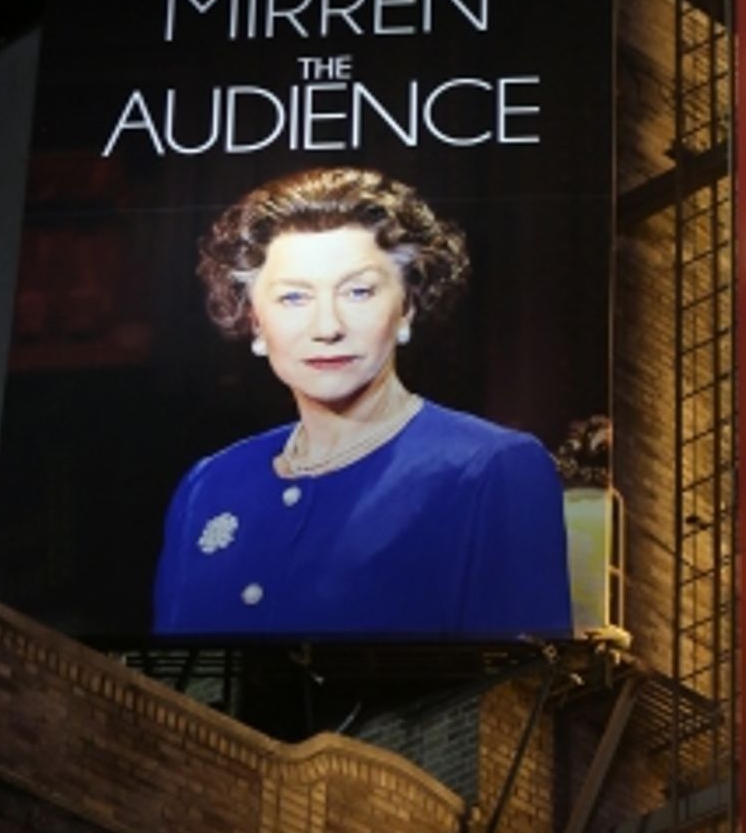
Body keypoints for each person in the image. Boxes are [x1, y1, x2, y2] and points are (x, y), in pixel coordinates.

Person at [153, 167, 572, 638]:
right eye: (293, 297)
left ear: (407, 307)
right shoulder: (210, 484)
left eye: (357, 292)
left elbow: (518, 690)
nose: (327, 326)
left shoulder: (492, 468)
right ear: (254, 320)